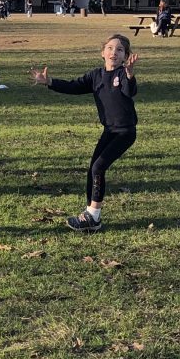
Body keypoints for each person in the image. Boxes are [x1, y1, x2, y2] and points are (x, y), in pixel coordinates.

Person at [31, 33, 139, 232]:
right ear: (102, 52)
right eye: (110, 48)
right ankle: (91, 214)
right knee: (93, 169)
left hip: (125, 132)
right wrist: (49, 82)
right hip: (109, 131)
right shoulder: (95, 76)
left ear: (125, 56)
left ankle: (93, 217)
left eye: (120, 50)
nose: (114, 52)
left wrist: (130, 75)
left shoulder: (123, 74)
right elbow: (74, 86)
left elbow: (129, 90)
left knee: (98, 167)